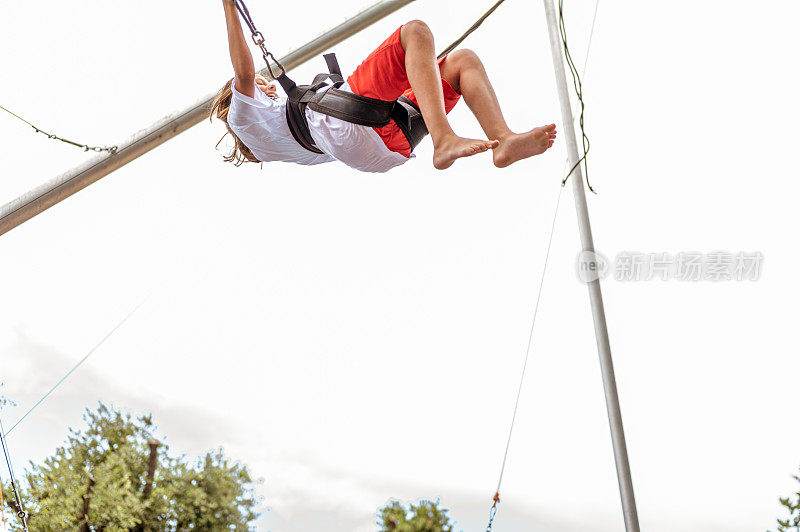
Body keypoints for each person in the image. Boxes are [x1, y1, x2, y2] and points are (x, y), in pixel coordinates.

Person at [211, 0, 557, 172]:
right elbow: (242, 71)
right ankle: (444, 139)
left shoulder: (275, 145)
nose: (267, 87)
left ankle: (504, 141)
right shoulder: (243, 120)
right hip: (348, 121)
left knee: (461, 62)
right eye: (261, 85)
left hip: (386, 147)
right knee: (415, 32)